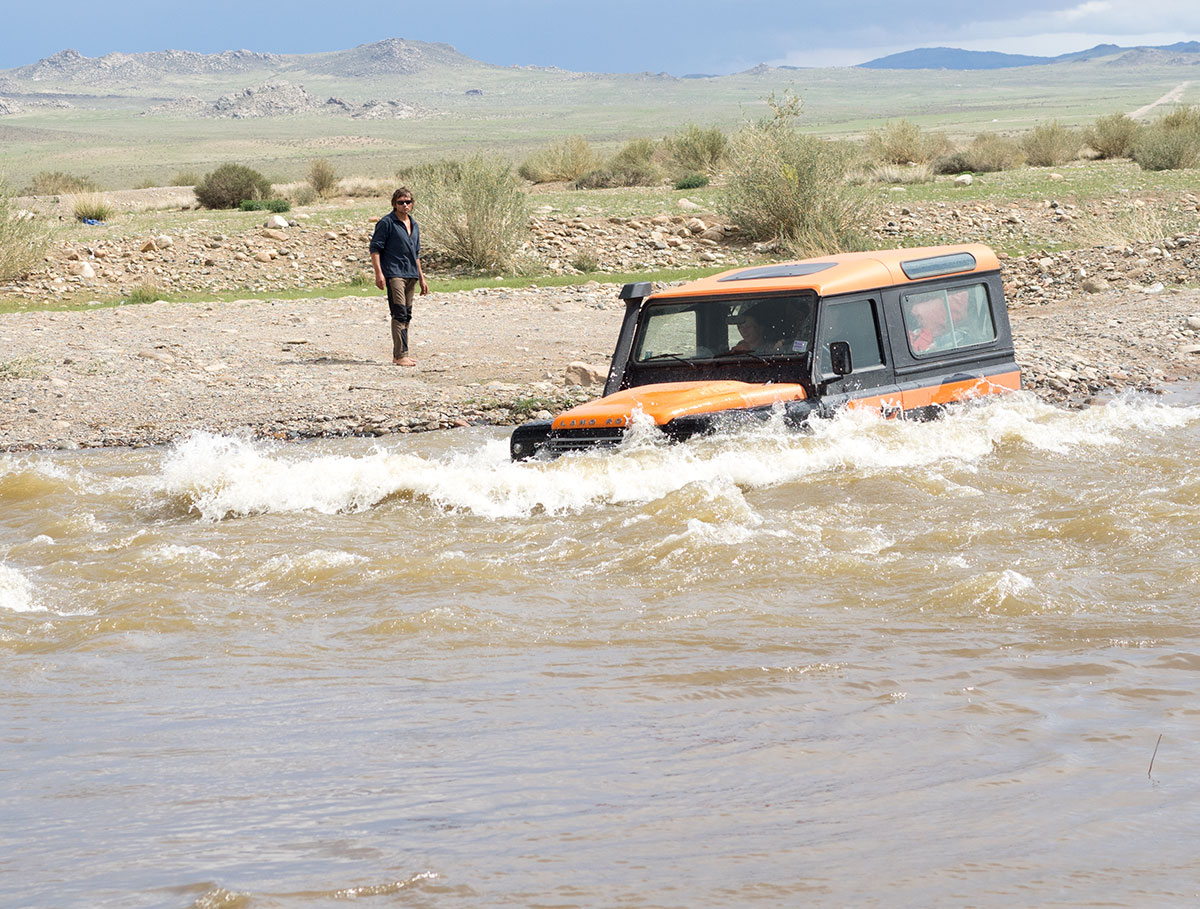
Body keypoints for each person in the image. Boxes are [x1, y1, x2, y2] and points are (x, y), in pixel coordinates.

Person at [370, 187, 429, 366]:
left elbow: (416, 254)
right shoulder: (386, 223)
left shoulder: (414, 224)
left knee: (407, 314)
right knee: (399, 312)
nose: (405, 205)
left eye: (408, 202)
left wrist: (422, 278)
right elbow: (375, 249)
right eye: (400, 202)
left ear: (412, 204)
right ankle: (401, 355)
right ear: (394, 204)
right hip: (394, 273)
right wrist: (379, 274)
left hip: (411, 273)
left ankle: (401, 353)